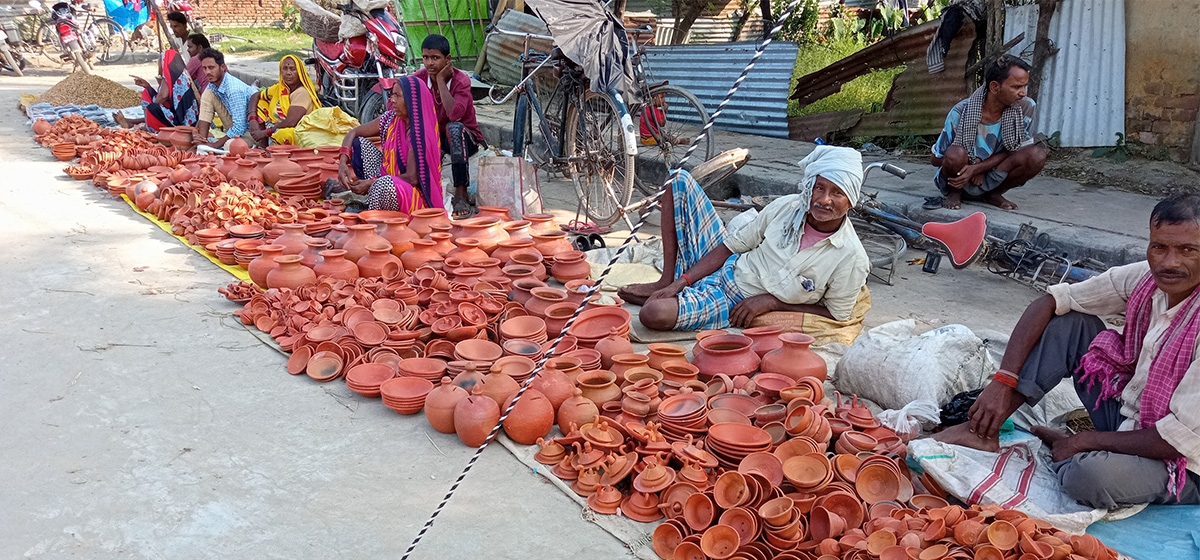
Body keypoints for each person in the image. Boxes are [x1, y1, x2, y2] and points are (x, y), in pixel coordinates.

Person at [934, 192, 1200, 509]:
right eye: (1160, 247)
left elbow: (1174, 439)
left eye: (1188, 250)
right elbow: (1050, 302)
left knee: (1088, 476)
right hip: (1132, 421)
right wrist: (1001, 382)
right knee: (1070, 324)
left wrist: (1083, 440)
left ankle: (1082, 454)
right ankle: (983, 432)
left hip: (1184, 461)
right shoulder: (1145, 278)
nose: (1170, 262)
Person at [622, 146, 870, 332]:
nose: (824, 199)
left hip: (729, 300)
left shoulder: (850, 256)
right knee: (678, 181)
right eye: (819, 188)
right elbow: (732, 246)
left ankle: (675, 294)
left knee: (653, 313)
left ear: (850, 200)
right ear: (810, 188)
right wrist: (680, 283)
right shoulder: (786, 207)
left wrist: (771, 302)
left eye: (837, 193)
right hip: (725, 266)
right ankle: (667, 279)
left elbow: (835, 314)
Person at [931, 54, 1046, 211]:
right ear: (994, 87)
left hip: (993, 173)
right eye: (1016, 87)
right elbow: (936, 159)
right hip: (961, 175)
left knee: (1036, 155)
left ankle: (993, 194)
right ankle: (954, 193)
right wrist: (971, 165)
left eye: (1024, 86)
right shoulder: (961, 111)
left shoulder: (1024, 107)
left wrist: (980, 168)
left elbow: (1016, 150)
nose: (1023, 93)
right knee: (955, 153)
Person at [335, 76, 443, 212]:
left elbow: (412, 178)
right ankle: (377, 197)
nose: (392, 100)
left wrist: (372, 183)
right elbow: (354, 132)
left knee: (383, 185)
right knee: (359, 144)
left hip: (414, 195)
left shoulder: (421, 133)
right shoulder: (391, 118)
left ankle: (377, 212)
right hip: (387, 181)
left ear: (412, 101)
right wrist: (343, 162)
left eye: (398, 96)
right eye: (392, 94)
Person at [412, 34, 482, 218]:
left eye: (435, 58)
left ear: (447, 60)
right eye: (425, 58)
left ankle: (461, 193)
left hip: (466, 138)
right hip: (436, 138)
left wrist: (441, 81)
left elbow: (454, 115)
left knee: (454, 128)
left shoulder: (461, 81)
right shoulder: (419, 79)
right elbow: (397, 104)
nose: (429, 63)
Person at [114, 33, 209, 130]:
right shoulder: (180, 75)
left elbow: (163, 96)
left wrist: (152, 107)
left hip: (180, 120)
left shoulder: (171, 75)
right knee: (149, 94)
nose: (159, 65)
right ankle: (137, 123)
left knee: (152, 106)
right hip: (188, 117)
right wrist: (148, 86)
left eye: (160, 62)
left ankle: (147, 127)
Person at [247, 54, 320, 147]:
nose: (288, 73)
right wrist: (252, 119)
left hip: (300, 130)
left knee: (284, 134)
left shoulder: (302, 92)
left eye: (293, 69)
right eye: (284, 69)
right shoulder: (280, 88)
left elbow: (291, 122)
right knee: (261, 103)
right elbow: (255, 96)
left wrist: (265, 132)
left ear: (300, 72)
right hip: (276, 127)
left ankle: (279, 153)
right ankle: (263, 147)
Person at [194, 48, 256, 150]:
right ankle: (201, 141)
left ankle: (208, 146)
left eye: (211, 67)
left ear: (222, 67)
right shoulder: (213, 85)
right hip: (236, 128)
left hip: (250, 133)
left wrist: (215, 145)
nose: (207, 72)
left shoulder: (234, 89)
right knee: (208, 94)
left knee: (230, 146)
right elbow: (205, 109)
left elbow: (239, 128)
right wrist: (196, 130)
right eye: (204, 68)